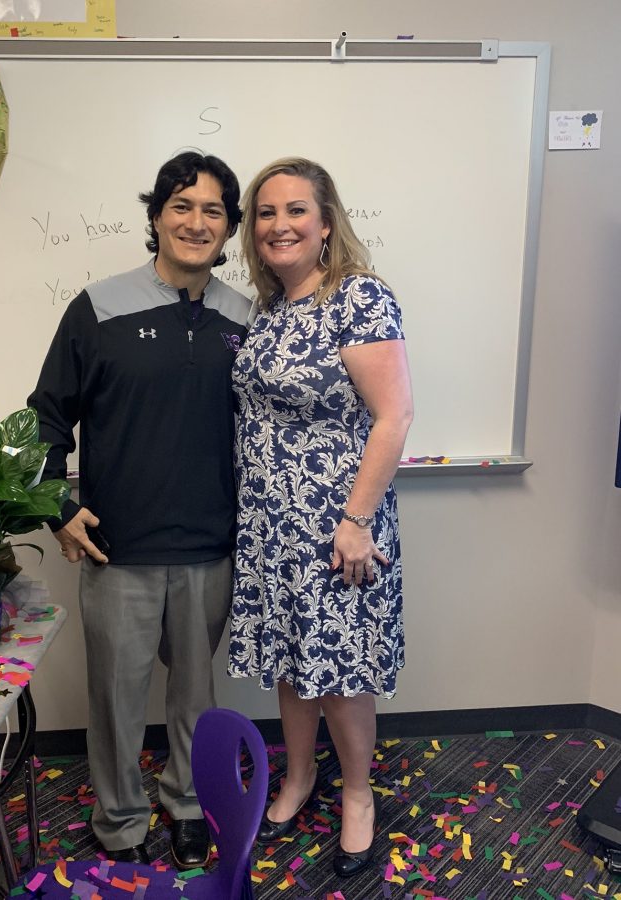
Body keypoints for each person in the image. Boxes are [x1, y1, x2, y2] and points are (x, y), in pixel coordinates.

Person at [28, 152, 252, 868]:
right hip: (115, 548)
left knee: (195, 693)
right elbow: (45, 417)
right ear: (155, 217)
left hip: (210, 546)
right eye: (181, 206)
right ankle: (121, 819)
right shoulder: (97, 308)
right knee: (117, 701)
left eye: (213, 210)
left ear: (229, 227)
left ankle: (186, 802)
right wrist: (57, 506)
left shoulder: (246, 319)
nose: (196, 221)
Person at [227, 157, 413, 878]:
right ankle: (301, 777)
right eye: (266, 213)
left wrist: (356, 519)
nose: (280, 225)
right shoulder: (267, 309)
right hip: (271, 522)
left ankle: (358, 795)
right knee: (291, 658)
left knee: (339, 669)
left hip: (339, 523)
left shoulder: (357, 299)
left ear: (326, 223)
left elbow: (394, 417)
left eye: (296, 210)